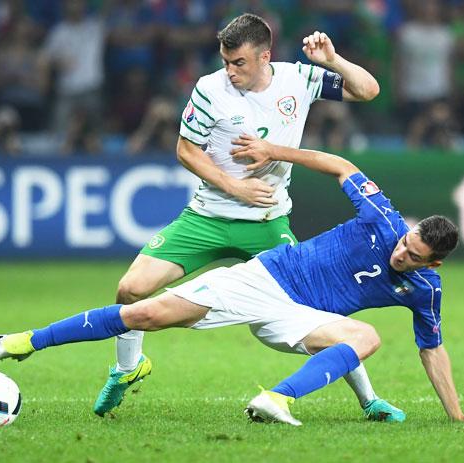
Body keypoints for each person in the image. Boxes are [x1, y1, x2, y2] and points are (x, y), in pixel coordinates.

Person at [0, 140, 464, 426]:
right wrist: (276, 149)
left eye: (414, 255)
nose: (401, 252)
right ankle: (24, 341)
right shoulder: (383, 219)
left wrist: (457, 415)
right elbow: (340, 165)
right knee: (143, 313)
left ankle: (276, 400)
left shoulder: (425, 292)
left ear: (435, 265)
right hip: (266, 278)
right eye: (407, 242)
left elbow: (433, 350)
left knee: (366, 338)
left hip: (303, 318)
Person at [98, 12, 393, 421]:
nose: (230, 71)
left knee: (320, 317)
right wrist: (233, 186)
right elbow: (186, 150)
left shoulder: (298, 79)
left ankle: (369, 399)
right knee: (130, 289)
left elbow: (368, 90)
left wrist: (334, 60)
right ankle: (128, 369)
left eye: (239, 63)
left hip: (268, 224)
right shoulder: (209, 90)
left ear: (265, 56)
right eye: (225, 61)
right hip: (207, 218)